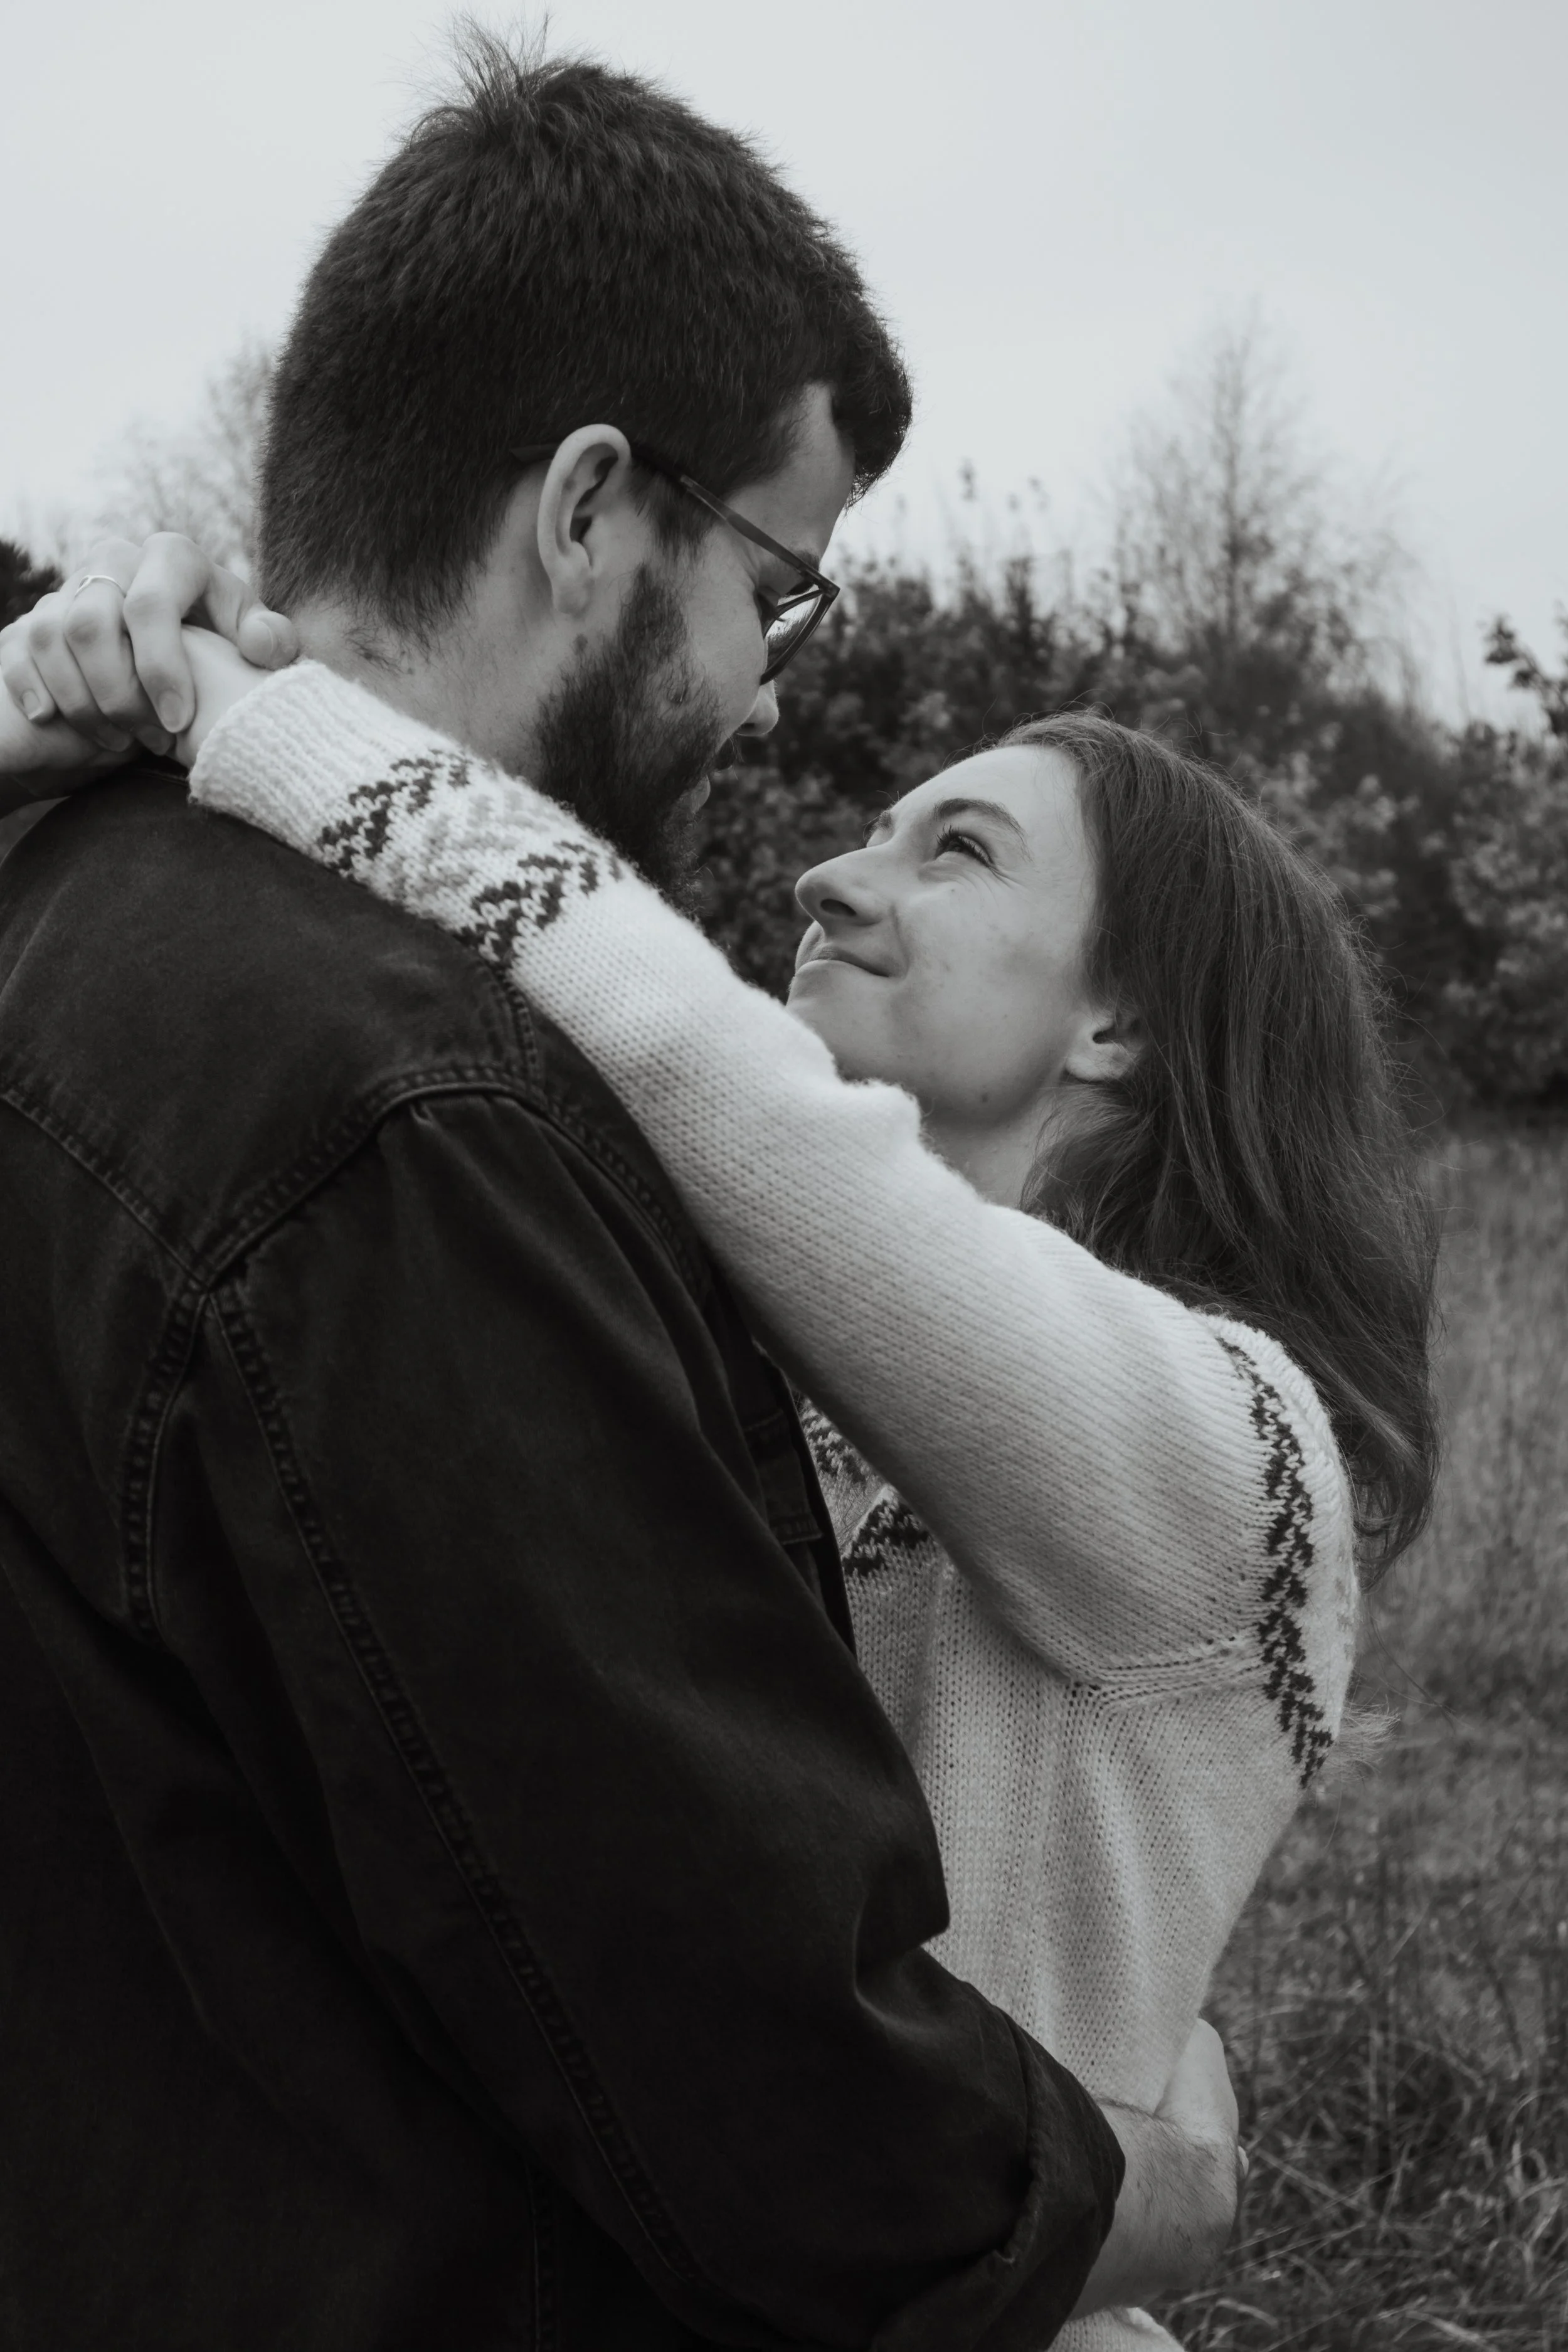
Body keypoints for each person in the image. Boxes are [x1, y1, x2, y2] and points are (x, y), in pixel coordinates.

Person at [0, 39, 1243, 2352]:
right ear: (591, 509)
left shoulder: (50, 892)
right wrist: (1137, 2192)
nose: (772, 701)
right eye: (779, 588)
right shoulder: (405, 1118)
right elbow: (762, 2094)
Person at [7, 583, 1437, 2352]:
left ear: (1118, 1024)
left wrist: (266, 715)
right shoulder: (746, 1347)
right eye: (869, 828)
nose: (834, 875)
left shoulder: (1235, 1455)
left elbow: (704, 1072)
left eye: (957, 851)